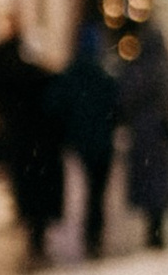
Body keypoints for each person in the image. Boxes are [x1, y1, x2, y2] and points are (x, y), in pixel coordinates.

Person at [0, 19, 62, 261]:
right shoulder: (42, 80)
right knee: (37, 189)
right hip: (39, 146)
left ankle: (35, 231)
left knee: (30, 188)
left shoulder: (13, 81)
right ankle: (37, 231)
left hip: (27, 144)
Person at [48, 26, 122, 259]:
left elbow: (55, 105)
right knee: (97, 191)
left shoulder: (72, 75)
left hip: (82, 140)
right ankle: (94, 232)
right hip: (101, 141)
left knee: (90, 188)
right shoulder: (104, 75)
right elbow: (118, 106)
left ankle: (90, 233)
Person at [116, 30, 168, 248]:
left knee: (147, 183)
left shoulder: (135, 71)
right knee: (160, 183)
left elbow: (123, 102)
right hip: (164, 137)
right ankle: (157, 227)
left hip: (142, 138)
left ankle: (153, 229)